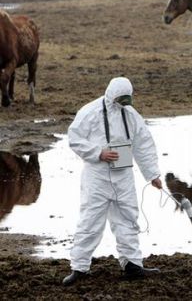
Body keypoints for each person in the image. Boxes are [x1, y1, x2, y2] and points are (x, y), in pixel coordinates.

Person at [63, 77, 162, 286]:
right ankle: (79, 268)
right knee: (90, 220)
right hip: (97, 176)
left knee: (128, 218)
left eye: (127, 101)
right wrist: (98, 153)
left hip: (123, 176)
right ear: (111, 95)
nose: (123, 105)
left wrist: (152, 174)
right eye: (120, 100)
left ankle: (133, 264)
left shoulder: (131, 114)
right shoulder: (90, 112)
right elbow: (74, 138)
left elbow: (143, 143)